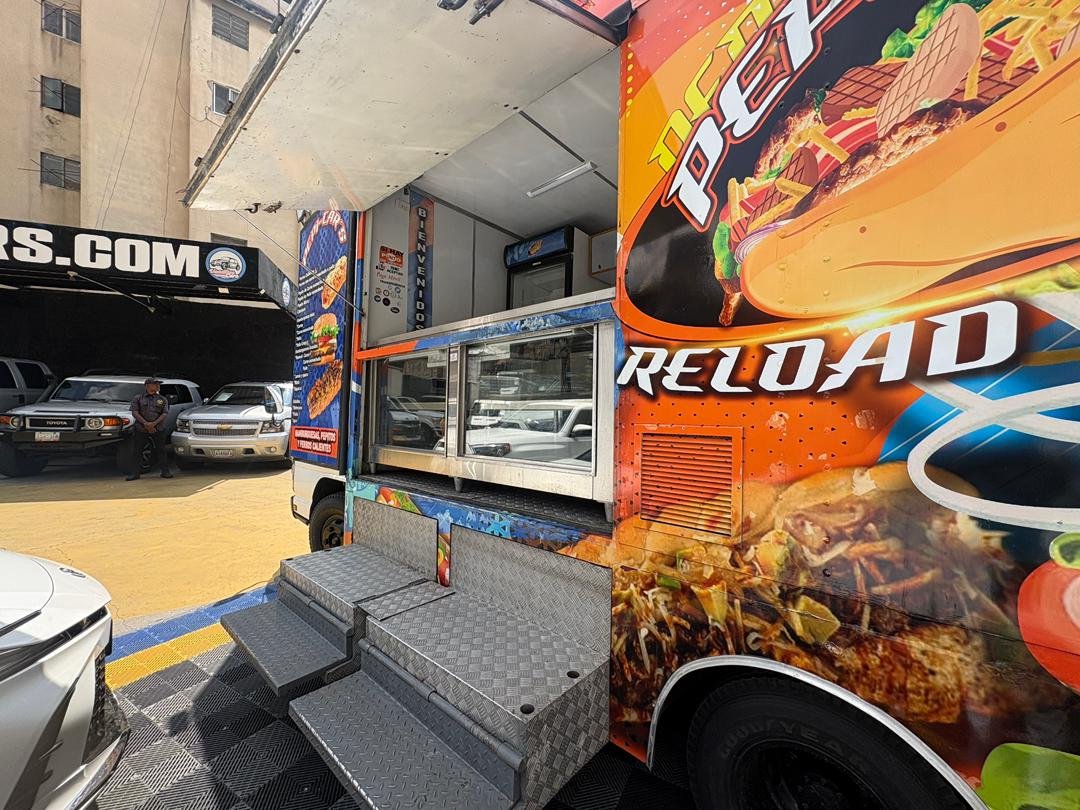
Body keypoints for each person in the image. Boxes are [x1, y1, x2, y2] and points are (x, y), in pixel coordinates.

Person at [128, 378, 173, 480]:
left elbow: (164, 413)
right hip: (141, 428)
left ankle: (165, 472)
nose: (158, 386)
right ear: (147, 386)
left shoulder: (162, 399)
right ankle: (135, 473)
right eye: (155, 384)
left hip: (158, 428)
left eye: (158, 384)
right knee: (137, 451)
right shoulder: (138, 398)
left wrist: (153, 424)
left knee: (161, 450)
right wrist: (146, 424)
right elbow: (135, 412)